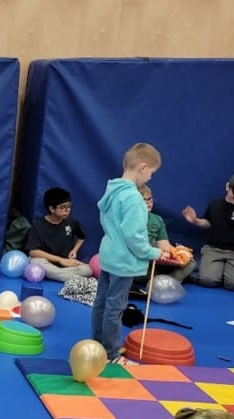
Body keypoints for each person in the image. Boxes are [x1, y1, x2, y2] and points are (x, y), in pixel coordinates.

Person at [92, 143, 163, 364]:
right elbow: (135, 236)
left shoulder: (112, 190)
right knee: (115, 307)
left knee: (102, 302)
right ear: (143, 167)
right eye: (151, 172)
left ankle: (97, 345)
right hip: (123, 261)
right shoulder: (133, 198)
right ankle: (111, 353)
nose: (150, 177)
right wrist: (153, 252)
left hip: (109, 255)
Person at [24, 187, 93, 282]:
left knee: (88, 270)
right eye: (63, 207)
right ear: (52, 209)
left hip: (65, 264)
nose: (67, 210)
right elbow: (33, 252)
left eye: (69, 206)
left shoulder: (70, 222)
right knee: (35, 261)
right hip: (46, 261)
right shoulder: (38, 226)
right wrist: (60, 260)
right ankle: (68, 276)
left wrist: (74, 250)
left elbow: (82, 236)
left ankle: (62, 275)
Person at [182, 174, 234, 290]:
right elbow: (208, 223)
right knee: (207, 280)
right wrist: (195, 220)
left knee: (232, 284)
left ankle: (225, 273)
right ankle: (215, 271)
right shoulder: (215, 204)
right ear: (227, 187)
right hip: (214, 248)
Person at [136, 184, 195, 284]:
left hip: (155, 262)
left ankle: (165, 281)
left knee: (190, 262)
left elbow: (164, 246)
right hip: (137, 263)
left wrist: (176, 252)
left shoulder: (157, 219)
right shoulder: (129, 219)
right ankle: (159, 279)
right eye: (144, 200)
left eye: (150, 199)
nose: (148, 202)